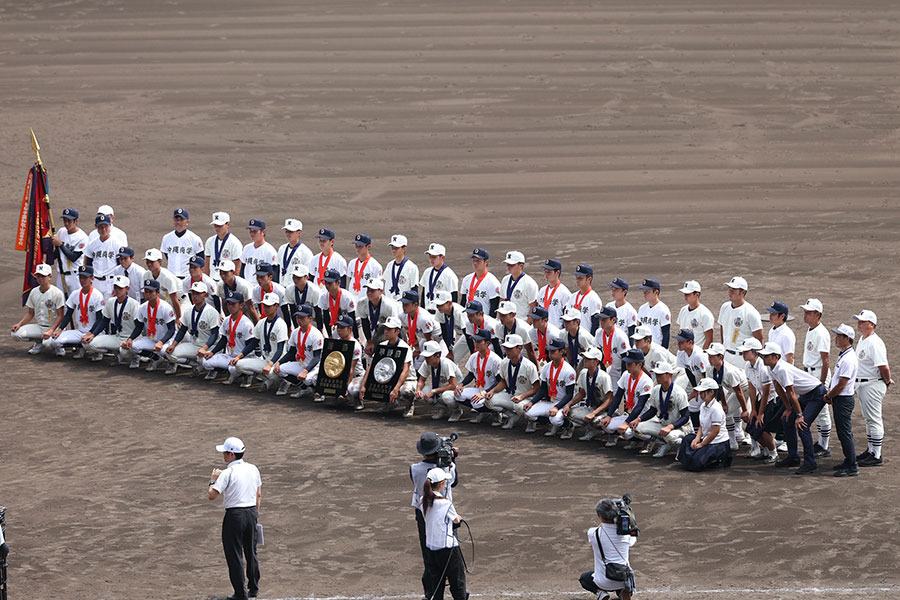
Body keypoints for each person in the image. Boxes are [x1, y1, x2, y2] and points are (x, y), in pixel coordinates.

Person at [758, 341, 828, 475]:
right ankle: (793, 457)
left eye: (766, 356)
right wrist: (789, 409)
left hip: (817, 393)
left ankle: (810, 463)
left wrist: (800, 415)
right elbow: (779, 387)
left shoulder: (782, 368)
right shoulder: (771, 367)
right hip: (806, 394)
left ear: (775, 357)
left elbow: (790, 392)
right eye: (763, 356)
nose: (763, 358)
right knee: (787, 420)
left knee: (802, 425)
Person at [208, 436, 261, 600]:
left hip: (235, 515)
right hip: (251, 512)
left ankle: (240, 593)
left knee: (235, 554)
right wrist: (255, 516)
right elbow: (259, 494)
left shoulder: (227, 472)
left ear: (231, 454)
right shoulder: (253, 469)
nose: (223, 455)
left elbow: (212, 495)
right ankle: (253, 588)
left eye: (225, 452)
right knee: (251, 551)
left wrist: (212, 480)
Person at [410, 432, 459, 598]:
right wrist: (453, 459)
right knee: (450, 551)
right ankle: (458, 591)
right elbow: (455, 481)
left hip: (423, 512)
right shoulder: (444, 470)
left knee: (429, 553)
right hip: (445, 514)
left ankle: (431, 592)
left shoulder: (415, 469)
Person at [853, 309, 893, 467]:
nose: (859, 323)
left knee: (874, 419)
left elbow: (884, 367)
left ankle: (876, 455)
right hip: (864, 384)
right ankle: (871, 450)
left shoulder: (874, 342)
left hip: (872, 384)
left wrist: (887, 381)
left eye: (862, 321)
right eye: (859, 321)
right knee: (869, 419)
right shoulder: (864, 339)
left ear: (871, 324)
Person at [421, 467, 467, 600]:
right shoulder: (445, 503)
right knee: (457, 583)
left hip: (431, 548)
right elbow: (456, 519)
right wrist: (459, 518)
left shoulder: (424, 500)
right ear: (441, 483)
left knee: (436, 585)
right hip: (447, 549)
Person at [580, 498, 636, 600]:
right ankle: (624, 593)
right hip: (623, 580)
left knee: (584, 578)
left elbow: (601, 528)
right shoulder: (626, 534)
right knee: (626, 577)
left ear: (600, 516)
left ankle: (601, 593)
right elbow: (633, 537)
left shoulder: (594, 534)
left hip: (602, 582)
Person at [359, 315, 417, 416]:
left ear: (397, 332)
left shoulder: (405, 348)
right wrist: (363, 385)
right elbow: (371, 366)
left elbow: (405, 371)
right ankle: (390, 403)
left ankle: (409, 405)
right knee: (380, 378)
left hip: (407, 379)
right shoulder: (382, 346)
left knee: (406, 391)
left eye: (389, 329)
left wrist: (396, 389)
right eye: (385, 329)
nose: (386, 331)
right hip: (390, 377)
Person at [596, 348, 653, 448]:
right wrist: (609, 415)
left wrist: (626, 423)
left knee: (627, 432)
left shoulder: (646, 381)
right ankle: (636, 441)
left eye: (630, 364)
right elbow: (618, 397)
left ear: (639, 364)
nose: (627, 366)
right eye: (626, 363)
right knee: (606, 426)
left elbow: (640, 406)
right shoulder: (626, 375)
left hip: (642, 417)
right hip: (630, 414)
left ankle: (649, 440)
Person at [44, 265, 105, 358]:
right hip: (79, 331)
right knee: (53, 341)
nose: (82, 280)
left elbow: (100, 319)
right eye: (81, 277)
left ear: (92, 278)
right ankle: (81, 348)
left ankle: (97, 352)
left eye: (85, 278)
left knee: (91, 344)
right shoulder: (75, 294)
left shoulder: (97, 295)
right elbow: (68, 315)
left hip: (94, 332)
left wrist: (91, 333)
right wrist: (60, 329)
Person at [633, 363, 692, 457]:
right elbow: (652, 410)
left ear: (669, 375)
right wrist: (639, 419)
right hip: (664, 424)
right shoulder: (656, 390)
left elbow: (685, 416)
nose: (657, 377)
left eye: (660, 375)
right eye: (656, 374)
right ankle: (663, 445)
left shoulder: (679, 392)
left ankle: (683, 446)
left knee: (670, 436)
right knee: (636, 428)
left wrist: (671, 427)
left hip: (681, 428)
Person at [555, 347, 613, 441]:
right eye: (585, 358)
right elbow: (581, 393)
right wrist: (569, 405)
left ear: (596, 361)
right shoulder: (583, 373)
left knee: (596, 421)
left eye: (588, 359)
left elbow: (609, 399)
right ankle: (591, 429)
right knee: (569, 413)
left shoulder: (604, 376)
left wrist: (594, 413)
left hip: (605, 410)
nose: (585, 360)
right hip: (591, 406)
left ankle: (611, 434)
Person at [483, 334, 541, 429]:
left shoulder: (529, 366)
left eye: (510, 348)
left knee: (519, 407)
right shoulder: (504, 363)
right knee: (489, 400)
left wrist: (522, 396)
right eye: (506, 348)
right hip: (511, 396)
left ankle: (532, 421)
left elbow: (537, 387)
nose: (507, 351)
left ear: (519, 348)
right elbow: (503, 382)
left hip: (526, 398)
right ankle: (512, 416)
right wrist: (492, 391)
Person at [233, 293, 289, 390]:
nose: (266, 308)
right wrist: (239, 356)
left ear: (276, 306)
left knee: (270, 372)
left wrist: (270, 364)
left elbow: (280, 349)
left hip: (278, 363)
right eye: (264, 306)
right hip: (265, 360)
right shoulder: (261, 322)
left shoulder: (281, 324)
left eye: (268, 306)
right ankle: (267, 379)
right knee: (238, 365)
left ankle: (284, 381)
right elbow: (254, 343)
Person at [799, 298, 833, 458]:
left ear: (818, 314)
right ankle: (821, 443)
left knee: (822, 410)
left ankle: (824, 445)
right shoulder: (811, 329)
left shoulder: (821, 333)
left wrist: (822, 383)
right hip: (810, 373)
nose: (805, 315)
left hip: (819, 373)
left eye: (809, 312)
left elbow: (826, 360)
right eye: (805, 312)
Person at [522, 337, 577, 436]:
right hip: (550, 401)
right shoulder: (547, 367)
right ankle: (548, 422)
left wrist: (556, 407)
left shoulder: (568, 370)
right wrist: (531, 402)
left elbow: (569, 395)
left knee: (555, 420)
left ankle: (569, 425)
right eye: (549, 351)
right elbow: (542, 389)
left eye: (553, 351)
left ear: (562, 351)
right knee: (528, 413)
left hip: (563, 403)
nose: (550, 354)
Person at [163, 282, 221, 374]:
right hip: (195, 345)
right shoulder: (189, 311)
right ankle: (195, 365)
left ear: (205, 295)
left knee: (205, 360)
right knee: (170, 354)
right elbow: (182, 330)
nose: (194, 296)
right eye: (193, 293)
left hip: (210, 347)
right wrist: (173, 345)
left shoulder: (212, 312)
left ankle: (211, 370)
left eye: (197, 293)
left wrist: (204, 348)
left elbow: (215, 334)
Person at [676, 378, 733, 471]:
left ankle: (717, 459)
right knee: (687, 439)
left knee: (695, 463)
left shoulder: (716, 409)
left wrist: (702, 444)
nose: (700, 394)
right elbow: (701, 425)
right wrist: (697, 439)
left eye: (703, 392)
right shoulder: (703, 406)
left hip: (718, 443)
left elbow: (715, 431)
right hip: (707, 439)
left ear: (711, 392)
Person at [121, 279, 177, 370]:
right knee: (132, 346)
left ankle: (172, 363)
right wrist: (130, 339)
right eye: (146, 291)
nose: (147, 294)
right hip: (152, 338)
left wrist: (161, 342)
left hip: (166, 340)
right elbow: (139, 327)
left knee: (164, 351)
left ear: (158, 292)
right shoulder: (142, 307)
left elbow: (172, 330)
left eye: (151, 292)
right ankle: (156, 358)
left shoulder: (166, 307)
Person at [201, 291, 256, 383]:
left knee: (233, 368)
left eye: (233, 304)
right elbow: (223, 340)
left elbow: (250, 345)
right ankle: (230, 371)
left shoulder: (246, 323)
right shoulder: (227, 320)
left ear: (241, 305)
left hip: (245, 357)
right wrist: (212, 352)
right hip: (230, 355)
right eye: (228, 304)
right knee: (206, 361)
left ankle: (247, 375)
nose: (230, 306)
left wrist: (239, 357)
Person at [83, 275, 140, 363]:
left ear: (127, 289)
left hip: (131, 338)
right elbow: (104, 321)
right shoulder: (111, 302)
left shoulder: (134, 304)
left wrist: (131, 339)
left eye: (120, 288)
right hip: (117, 337)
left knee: (124, 351)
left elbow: (139, 326)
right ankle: (116, 352)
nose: (117, 290)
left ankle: (135, 358)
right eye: (115, 287)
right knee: (91, 344)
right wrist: (93, 335)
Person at [739, 338, 780, 464]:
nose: (743, 354)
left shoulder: (763, 367)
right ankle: (766, 451)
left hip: (773, 400)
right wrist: (754, 409)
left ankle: (773, 453)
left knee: (760, 426)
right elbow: (752, 388)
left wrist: (760, 413)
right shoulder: (748, 366)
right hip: (762, 398)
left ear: (754, 352)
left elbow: (767, 392)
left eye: (746, 352)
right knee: (752, 426)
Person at [450, 328, 503, 423]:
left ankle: (496, 413)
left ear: (487, 343)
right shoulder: (474, 356)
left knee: (477, 403)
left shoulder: (495, 359)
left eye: (479, 341)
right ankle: (483, 413)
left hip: (494, 391)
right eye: (475, 341)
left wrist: (484, 393)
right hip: (480, 388)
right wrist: (461, 384)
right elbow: (471, 374)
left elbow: (499, 381)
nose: (476, 343)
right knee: (458, 394)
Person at [703, 343, 750, 450]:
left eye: (712, 356)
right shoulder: (710, 369)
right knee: (726, 412)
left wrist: (745, 410)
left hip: (747, 390)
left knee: (750, 415)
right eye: (709, 355)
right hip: (734, 390)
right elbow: (718, 387)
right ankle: (732, 441)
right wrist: (724, 403)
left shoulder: (730, 372)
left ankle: (753, 441)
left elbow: (739, 392)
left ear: (721, 357)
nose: (709, 358)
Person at [827, 324, 860, 477]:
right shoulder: (845, 355)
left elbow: (841, 384)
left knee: (845, 432)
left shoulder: (848, 359)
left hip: (843, 399)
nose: (836, 338)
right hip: (841, 399)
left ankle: (852, 466)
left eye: (839, 336)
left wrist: (829, 396)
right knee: (842, 432)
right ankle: (849, 460)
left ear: (847, 339)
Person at [11, 263, 65, 354]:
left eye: (43, 276)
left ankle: (59, 346)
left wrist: (51, 330)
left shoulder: (57, 293)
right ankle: (39, 342)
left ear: (50, 276)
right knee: (15, 334)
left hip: (54, 328)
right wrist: (19, 324)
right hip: (40, 327)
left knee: (48, 343)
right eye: (38, 276)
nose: (40, 279)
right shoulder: (34, 292)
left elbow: (61, 315)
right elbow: (30, 313)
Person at [273, 304, 323, 399]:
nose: (299, 320)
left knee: (308, 379)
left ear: (310, 318)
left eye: (302, 318)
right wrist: (279, 362)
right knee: (280, 369)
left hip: (315, 366)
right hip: (301, 363)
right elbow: (291, 352)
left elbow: (317, 357)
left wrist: (306, 370)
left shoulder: (316, 334)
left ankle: (319, 392)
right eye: (298, 318)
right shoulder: (295, 332)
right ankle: (304, 388)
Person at [718, 276, 763, 367]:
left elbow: (759, 338)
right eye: (729, 289)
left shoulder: (750, 312)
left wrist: (755, 361)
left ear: (743, 292)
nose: (730, 292)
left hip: (742, 359)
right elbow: (723, 329)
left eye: (734, 290)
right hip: (726, 356)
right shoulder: (724, 307)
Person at [415, 340, 460, 419]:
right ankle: (442, 408)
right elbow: (421, 380)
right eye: (425, 357)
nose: (426, 359)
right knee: (423, 393)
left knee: (446, 396)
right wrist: (418, 390)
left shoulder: (446, 364)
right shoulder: (427, 363)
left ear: (438, 356)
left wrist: (433, 391)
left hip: (457, 389)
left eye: (429, 357)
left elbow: (453, 385)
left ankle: (457, 411)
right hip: (441, 387)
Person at [673, 329, 708, 428]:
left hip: (712, 382)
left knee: (710, 408)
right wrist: (695, 389)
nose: (679, 344)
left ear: (690, 342)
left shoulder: (698, 355)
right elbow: (688, 370)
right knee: (693, 406)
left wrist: (703, 391)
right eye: (678, 341)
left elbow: (706, 374)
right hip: (699, 382)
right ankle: (697, 432)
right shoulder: (681, 353)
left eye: (682, 342)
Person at [358, 278, 401, 355]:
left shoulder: (389, 306)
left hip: (399, 324)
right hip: (380, 326)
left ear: (381, 291)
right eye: (368, 290)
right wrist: (369, 341)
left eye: (372, 290)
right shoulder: (362, 303)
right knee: (370, 350)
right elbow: (365, 322)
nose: (369, 293)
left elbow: (396, 327)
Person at [82, 213, 121, 298]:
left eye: (105, 226)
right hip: (95, 281)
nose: (103, 229)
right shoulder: (92, 244)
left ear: (110, 225)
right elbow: (88, 264)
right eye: (100, 227)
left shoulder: (116, 244)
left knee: (109, 309)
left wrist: (117, 285)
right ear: (96, 226)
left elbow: (119, 266)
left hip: (110, 282)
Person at [52, 207, 88, 294]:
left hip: (74, 276)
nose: (66, 223)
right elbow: (57, 253)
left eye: (69, 221)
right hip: (61, 274)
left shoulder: (83, 237)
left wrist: (60, 244)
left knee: (76, 303)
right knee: (60, 302)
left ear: (76, 221)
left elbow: (73, 257)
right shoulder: (61, 231)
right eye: (65, 220)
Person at [160, 208, 204, 279]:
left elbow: (201, 259)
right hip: (171, 277)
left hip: (188, 277)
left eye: (181, 220)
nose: (178, 222)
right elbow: (167, 256)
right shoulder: (166, 238)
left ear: (187, 222)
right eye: (176, 219)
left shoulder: (195, 239)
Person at [401, 290, 440, 371]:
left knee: (439, 361)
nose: (404, 306)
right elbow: (410, 333)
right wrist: (417, 349)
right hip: (426, 338)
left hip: (439, 337)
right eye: (403, 303)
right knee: (417, 361)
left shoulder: (423, 318)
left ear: (415, 305)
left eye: (406, 304)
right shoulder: (402, 316)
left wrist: (428, 353)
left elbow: (430, 339)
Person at [144, 248, 183, 324]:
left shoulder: (167, 277)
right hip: (169, 300)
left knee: (181, 323)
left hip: (182, 300)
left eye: (152, 262)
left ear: (160, 261)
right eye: (147, 262)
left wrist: (178, 318)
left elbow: (175, 299)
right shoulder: (146, 275)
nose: (149, 264)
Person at [316, 268, 358, 338]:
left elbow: (352, 318)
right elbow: (326, 317)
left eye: (330, 283)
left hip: (352, 326)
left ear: (338, 283)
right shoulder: (324, 297)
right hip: (337, 326)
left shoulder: (347, 297)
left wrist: (357, 337)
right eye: (325, 282)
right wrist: (330, 336)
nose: (327, 285)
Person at [594, 306, 629, 387]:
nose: (601, 322)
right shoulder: (598, 333)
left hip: (618, 371)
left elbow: (625, 359)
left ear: (613, 320)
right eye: (600, 319)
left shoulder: (620, 336)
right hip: (605, 369)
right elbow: (599, 354)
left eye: (604, 319)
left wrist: (623, 379)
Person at [460, 247, 501, 316]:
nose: (475, 263)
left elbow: (494, 307)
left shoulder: (492, 282)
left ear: (486, 262)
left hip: (483, 322)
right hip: (467, 320)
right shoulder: (466, 279)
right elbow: (463, 302)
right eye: (474, 260)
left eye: (478, 261)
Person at [204, 211, 244, 282]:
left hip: (226, 282)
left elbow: (237, 267)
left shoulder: (234, 243)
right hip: (212, 280)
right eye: (215, 225)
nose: (217, 228)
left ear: (228, 225)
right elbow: (207, 264)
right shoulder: (210, 241)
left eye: (220, 226)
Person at [420, 243, 459, 313]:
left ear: (442, 257)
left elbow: (453, 298)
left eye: (434, 257)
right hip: (427, 311)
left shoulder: (449, 275)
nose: (431, 259)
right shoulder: (427, 272)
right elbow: (424, 293)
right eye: (430, 256)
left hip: (440, 314)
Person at [433, 290, 468, 366]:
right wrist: (450, 351)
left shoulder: (459, 312)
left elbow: (468, 334)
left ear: (449, 303)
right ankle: (457, 378)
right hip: (466, 336)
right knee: (451, 360)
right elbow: (444, 332)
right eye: (437, 305)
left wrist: (474, 354)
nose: (438, 307)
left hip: (476, 335)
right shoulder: (440, 312)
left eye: (441, 304)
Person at [500, 250, 538, 319]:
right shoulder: (505, 280)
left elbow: (533, 307)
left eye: (512, 265)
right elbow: (502, 300)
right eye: (507, 264)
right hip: (506, 323)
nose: (508, 267)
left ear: (521, 266)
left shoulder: (529, 283)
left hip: (521, 324)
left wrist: (527, 326)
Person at [676, 280, 714, 348]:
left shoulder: (705, 314)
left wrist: (703, 354)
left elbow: (709, 339)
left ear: (697, 295)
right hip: (684, 352)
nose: (685, 296)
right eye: (684, 294)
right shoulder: (683, 310)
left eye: (688, 294)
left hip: (697, 354)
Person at [566, 264, 602, 334]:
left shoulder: (594, 299)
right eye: (577, 277)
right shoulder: (572, 297)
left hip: (586, 339)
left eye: (580, 278)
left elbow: (595, 324)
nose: (577, 280)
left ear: (589, 279)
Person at [276, 219, 313, 285]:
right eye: (286, 231)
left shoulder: (305, 252)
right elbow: (278, 269)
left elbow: (308, 275)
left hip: (295, 289)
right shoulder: (282, 249)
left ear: (299, 233)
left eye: (291, 231)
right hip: (281, 287)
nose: (287, 234)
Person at [383, 234, 419, 302]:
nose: (393, 250)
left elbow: (414, 290)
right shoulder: (390, 265)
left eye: (396, 248)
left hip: (403, 306)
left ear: (404, 248)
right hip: (389, 305)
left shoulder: (411, 267)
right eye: (392, 247)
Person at [347, 233, 383, 301]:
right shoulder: (352, 263)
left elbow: (378, 287)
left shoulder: (375, 266)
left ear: (368, 247)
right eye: (356, 246)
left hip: (366, 302)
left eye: (360, 246)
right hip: (352, 301)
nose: (357, 248)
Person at [636, 278, 671, 349]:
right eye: (643, 291)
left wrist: (664, 352)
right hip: (643, 349)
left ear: (656, 292)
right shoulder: (642, 309)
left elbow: (666, 335)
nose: (644, 293)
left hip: (657, 350)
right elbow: (639, 330)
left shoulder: (663, 310)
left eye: (647, 291)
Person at [538, 258, 571, 328]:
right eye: (545, 271)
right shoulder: (542, 291)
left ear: (557, 273)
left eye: (549, 272)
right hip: (543, 331)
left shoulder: (564, 292)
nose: (546, 275)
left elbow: (567, 316)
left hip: (557, 333)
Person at [561, 307, 595, 373]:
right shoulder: (563, 334)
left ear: (577, 322)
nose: (565, 324)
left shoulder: (583, 336)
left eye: (568, 321)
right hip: (576, 359)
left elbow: (591, 356)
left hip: (589, 358)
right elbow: (568, 351)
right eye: (564, 321)